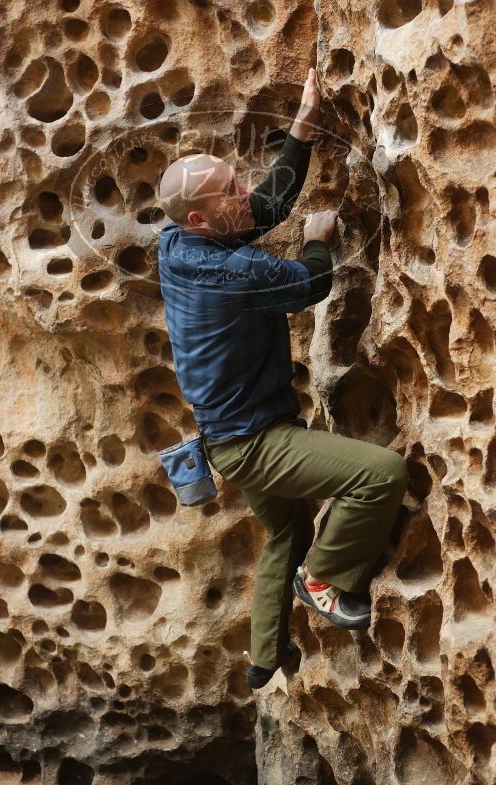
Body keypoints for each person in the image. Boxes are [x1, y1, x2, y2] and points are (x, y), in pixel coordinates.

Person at [156, 67, 408, 690]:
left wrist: (302, 125)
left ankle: (263, 658)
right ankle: (323, 580)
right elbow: (311, 284)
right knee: (381, 474)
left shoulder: (176, 243)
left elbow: (261, 208)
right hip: (255, 442)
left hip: (227, 437)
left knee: (287, 530)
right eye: (228, 190)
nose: (242, 190)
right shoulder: (231, 272)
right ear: (199, 216)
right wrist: (318, 240)